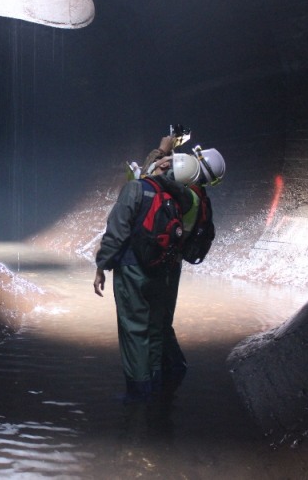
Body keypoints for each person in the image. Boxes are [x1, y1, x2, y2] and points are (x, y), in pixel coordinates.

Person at [93, 138, 225, 402]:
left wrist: (101, 266)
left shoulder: (138, 189)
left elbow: (116, 234)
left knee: (133, 331)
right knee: (156, 328)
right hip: (166, 270)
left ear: (168, 166)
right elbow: (152, 178)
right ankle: (157, 384)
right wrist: (163, 153)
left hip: (133, 269)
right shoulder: (191, 199)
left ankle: (138, 395)